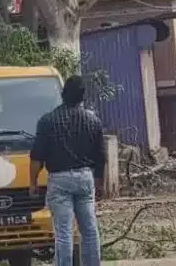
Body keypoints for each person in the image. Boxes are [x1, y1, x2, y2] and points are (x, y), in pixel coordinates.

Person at [30, 75, 106, 266]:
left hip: (59, 179)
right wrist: (100, 183)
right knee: (89, 230)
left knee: (64, 232)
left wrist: (33, 183)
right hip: (85, 178)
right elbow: (101, 157)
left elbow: (37, 157)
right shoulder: (93, 121)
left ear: (63, 94)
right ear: (82, 96)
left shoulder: (47, 121)